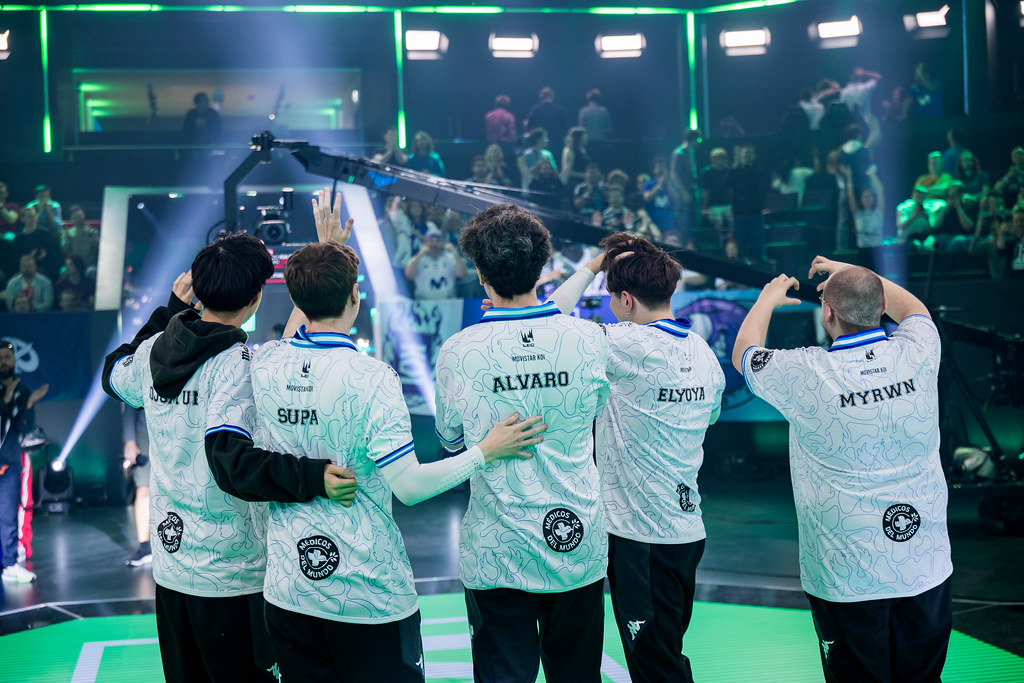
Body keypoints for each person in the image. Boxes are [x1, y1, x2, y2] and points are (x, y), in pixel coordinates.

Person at [248, 189, 546, 682]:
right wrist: (485, 451)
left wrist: (327, 251)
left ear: (296, 298)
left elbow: (297, 326)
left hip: (290, 590)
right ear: (355, 297)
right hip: (367, 592)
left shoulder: (267, 363)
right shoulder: (372, 377)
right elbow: (409, 487)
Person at [101, 234, 358, 683]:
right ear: (256, 298)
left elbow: (112, 372)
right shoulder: (240, 365)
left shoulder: (151, 354)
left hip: (172, 571)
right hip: (234, 575)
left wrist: (168, 312)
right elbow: (232, 464)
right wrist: (312, 477)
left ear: (198, 292)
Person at [732, 256, 953, 683]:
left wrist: (767, 299)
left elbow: (745, 353)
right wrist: (851, 270)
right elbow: (914, 310)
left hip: (847, 580)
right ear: (881, 305)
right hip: (925, 568)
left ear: (827, 313)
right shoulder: (920, 350)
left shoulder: (806, 373)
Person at [434, 203, 610, 683]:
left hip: (498, 553)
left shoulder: (459, 351)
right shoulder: (590, 340)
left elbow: (451, 444)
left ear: (480, 273)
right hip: (578, 546)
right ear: (541, 264)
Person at [548, 233, 725, 683]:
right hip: (687, 531)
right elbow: (712, 415)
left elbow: (549, 320)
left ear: (626, 299)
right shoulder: (702, 351)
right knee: (665, 651)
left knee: (656, 665)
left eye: (611, 298)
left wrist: (594, 265)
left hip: (639, 538)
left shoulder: (622, 343)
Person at [0, 340, 47, 583]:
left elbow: (23, 429)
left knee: (8, 515)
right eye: (0, 358)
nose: (3, 362)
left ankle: (10, 564)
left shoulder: (23, 390)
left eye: (7, 358)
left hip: (9, 461)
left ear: (15, 361)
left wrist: (28, 404)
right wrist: (6, 398)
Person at [123, 406, 152, 567]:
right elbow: (129, 405)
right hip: (145, 431)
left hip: (177, 431)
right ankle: (145, 548)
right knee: (143, 488)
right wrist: (130, 440)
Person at [404, 228, 467, 300]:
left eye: (438, 241)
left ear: (443, 243)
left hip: (448, 302)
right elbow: (409, 275)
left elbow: (461, 274)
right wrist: (419, 255)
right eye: (431, 241)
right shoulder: (418, 259)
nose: (434, 244)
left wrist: (455, 252)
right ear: (426, 243)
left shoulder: (451, 258)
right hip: (423, 302)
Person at [524, 87, 569, 152]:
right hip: (557, 143)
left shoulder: (536, 110)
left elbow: (529, 126)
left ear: (541, 97)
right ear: (552, 96)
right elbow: (566, 127)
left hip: (540, 143)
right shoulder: (559, 110)